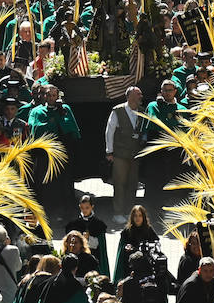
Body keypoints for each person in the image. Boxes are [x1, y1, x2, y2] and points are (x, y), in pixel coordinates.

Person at [105, 87, 147, 225]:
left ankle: (130, 212)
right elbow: (109, 131)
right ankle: (117, 213)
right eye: (138, 94)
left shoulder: (142, 111)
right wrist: (109, 151)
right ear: (129, 96)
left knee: (132, 184)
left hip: (135, 154)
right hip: (120, 154)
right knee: (119, 183)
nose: (141, 96)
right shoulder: (118, 111)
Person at [65, 194, 111, 278]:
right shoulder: (74, 224)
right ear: (79, 207)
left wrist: (88, 239)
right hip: (78, 258)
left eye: (87, 208)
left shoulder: (98, 224)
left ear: (92, 207)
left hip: (93, 258)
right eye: (82, 208)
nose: (84, 210)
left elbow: (100, 245)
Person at [113, 205, 160, 282]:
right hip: (130, 263)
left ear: (143, 217)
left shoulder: (148, 229)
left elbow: (156, 242)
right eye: (135, 216)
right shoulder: (127, 231)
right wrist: (126, 247)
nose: (137, 218)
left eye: (140, 215)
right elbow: (122, 246)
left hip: (145, 262)